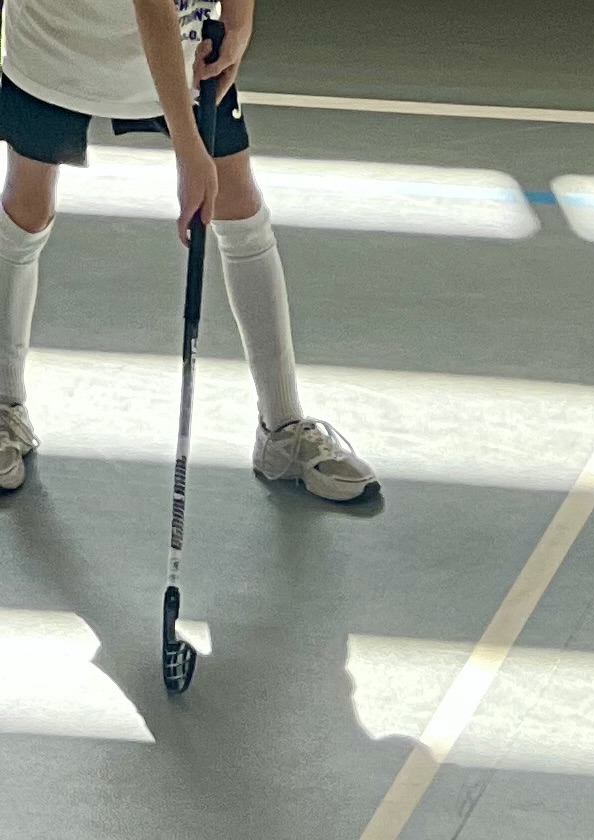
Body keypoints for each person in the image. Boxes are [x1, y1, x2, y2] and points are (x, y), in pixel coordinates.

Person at [0, 0, 379, 501]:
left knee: (238, 202)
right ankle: (4, 405)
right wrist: (187, 147)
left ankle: (283, 428)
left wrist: (239, 23)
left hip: (183, 40)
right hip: (60, 40)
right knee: (28, 203)